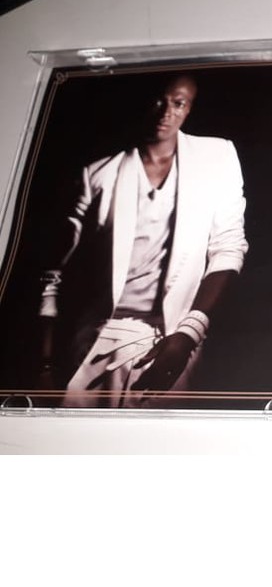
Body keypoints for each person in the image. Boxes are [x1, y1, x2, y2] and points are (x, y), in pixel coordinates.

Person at [38, 73, 248, 407]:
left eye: (178, 103)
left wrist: (189, 332)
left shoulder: (217, 156)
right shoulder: (97, 174)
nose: (166, 112)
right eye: (158, 101)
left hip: (172, 340)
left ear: (189, 108)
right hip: (95, 341)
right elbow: (54, 271)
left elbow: (228, 248)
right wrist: (45, 363)